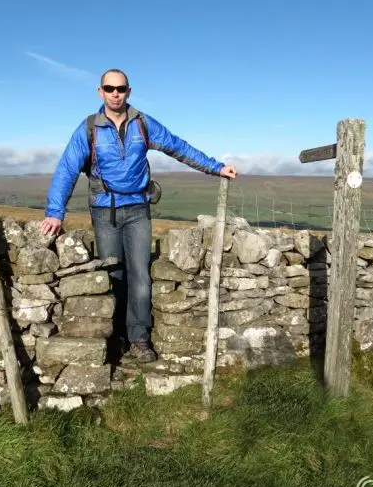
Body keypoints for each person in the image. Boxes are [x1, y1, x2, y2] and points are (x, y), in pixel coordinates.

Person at [40, 68, 237, 363]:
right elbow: (67, 168)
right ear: (100, 92)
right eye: (109, 88)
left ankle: (139, 338)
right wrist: (55, 213)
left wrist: (215, 167)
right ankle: (115, 336)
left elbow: (177, 146)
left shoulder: (142, 123)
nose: (115, 93)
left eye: (121, 88)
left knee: (140, 276)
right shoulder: (89, 128)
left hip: (137, 208)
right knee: (113, 275)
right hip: (104, 209)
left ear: (129, 91)